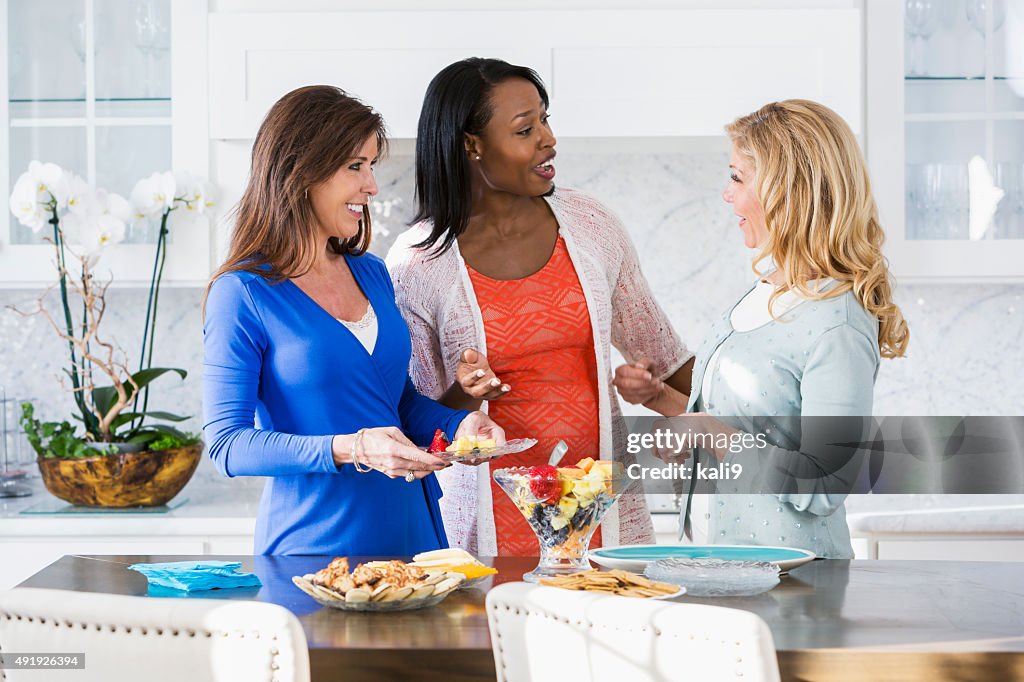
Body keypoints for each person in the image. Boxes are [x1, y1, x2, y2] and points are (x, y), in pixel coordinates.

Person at [386, 58, 694, 556]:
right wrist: (463, 394)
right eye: (526, 129)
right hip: (489, 527)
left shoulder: (592, 224)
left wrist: (748, 428)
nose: (548, 139)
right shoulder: (418, 264)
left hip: (604, 517)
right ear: (473, 145)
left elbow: (667, 357)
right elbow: (419, 426)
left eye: (545, 120)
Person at [202, 85, 504, 556]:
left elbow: (396, 403)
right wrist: (353, 449)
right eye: (355, 167)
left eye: (371, 166)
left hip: (417, 538)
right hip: (313, 548)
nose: (372, 186)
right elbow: (227, 445)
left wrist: (460, 423)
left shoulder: (372, 273)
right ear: (301, 172)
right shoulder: (243, 293)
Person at [615, 99, 909, 558]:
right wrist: (662, 402)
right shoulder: (764, 291)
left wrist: (707, 431)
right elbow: (745, 428)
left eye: (737, 177)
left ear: (787, 191)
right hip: (722, 562)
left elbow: (825, 482)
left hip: (792, 581)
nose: (726, 194)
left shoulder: (837, 321)